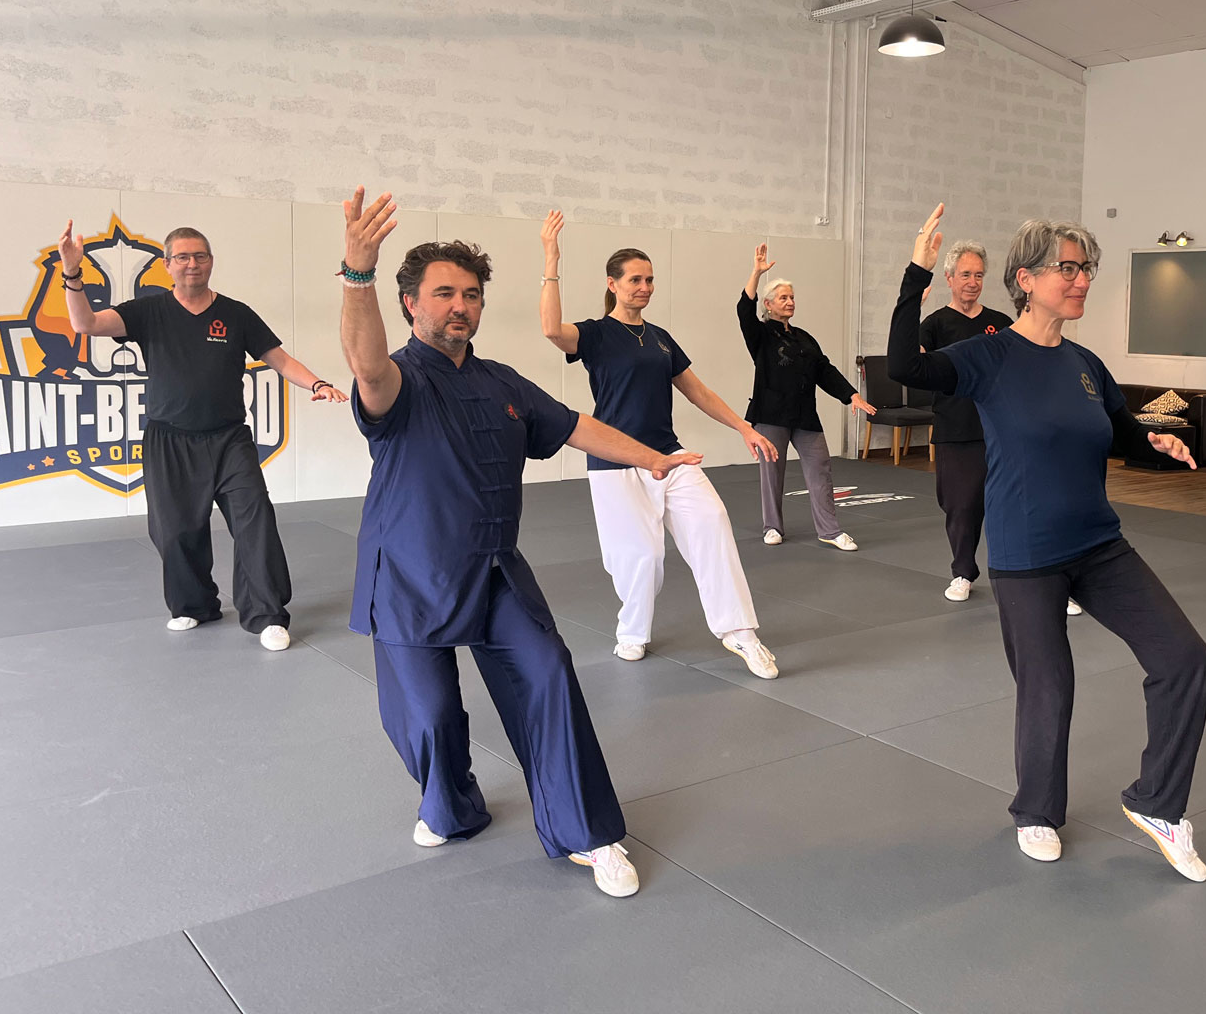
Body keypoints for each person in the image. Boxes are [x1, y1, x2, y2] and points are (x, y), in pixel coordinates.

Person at [339, 187, 683, 899]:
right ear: (412, 303)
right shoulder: (400, 381)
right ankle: (451, 804)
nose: (459, 305)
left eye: (470, 294)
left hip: (494, 569)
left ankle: (586, 832)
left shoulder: (503, 382)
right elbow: (367, 367)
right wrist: (357, 275)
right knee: (430, 717)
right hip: (408, 571)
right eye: (443, 293)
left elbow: (575, 426)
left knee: (549, 673)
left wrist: (650, 456)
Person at [889, 204, 1206, 881]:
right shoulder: (987, 355)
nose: (1081, 280)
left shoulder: (1085, 363)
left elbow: (1118, 431)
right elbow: (902, 368)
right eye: (1067, 268)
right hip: (1025, 555)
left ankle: (1157, 803)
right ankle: (1036, 810)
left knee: (1183, 657)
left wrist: (1152, 441)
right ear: (1025, 279)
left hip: (1098, 545)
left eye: (1085, 268)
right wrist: (917, 272)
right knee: (1048, 685)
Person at [56, 218, 345, 651]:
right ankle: (194, 605)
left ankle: (267, 615)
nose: (193, 264)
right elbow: (86, 325)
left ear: (211, 262)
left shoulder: (235, 313)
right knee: (174, 531)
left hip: (229, 440)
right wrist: (73, 273)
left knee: (255, 523)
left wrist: (318, 384)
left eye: (201, 256)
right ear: (168, 265)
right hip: (168, 441)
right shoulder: (146, 310)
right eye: (183, 257)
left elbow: (278, 359)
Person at [539, 211, 781, 678]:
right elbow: (552, 330)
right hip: (615, 461)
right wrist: (551, 259)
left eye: (649, 279)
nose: (644, 287)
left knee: (712, 521)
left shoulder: (660, 338)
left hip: (671, 455)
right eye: (634, 279)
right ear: (613, 284)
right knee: (642, 558)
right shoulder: (595, 334)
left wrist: (743, 427)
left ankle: (740, 633)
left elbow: (699, 391)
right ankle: (632, 632)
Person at [739, 243, 875, 551]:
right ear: (769, 304)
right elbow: (743, 310)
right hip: (770, 414)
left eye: (792, 297)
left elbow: (824, 370)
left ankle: (829, 529)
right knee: (772, 473)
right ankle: (772, 526)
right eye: (783, 298)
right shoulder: (760, 336)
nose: (789, 302)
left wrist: (851, 395)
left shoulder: (804, 338)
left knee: (821, 468)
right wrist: (757, 273)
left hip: (804, 416)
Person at [918, 240, 1014, 602]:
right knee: (961, 505)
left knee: (1015, 504)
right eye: (965, 275)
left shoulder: (1001, 324)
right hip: (956, 428)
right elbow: (913, 363)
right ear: (949, 278)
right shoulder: (935, 324)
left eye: (978, 275)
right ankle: (963, 572)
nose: (972, 282)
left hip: (1001, 428)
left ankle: (1033, 577)